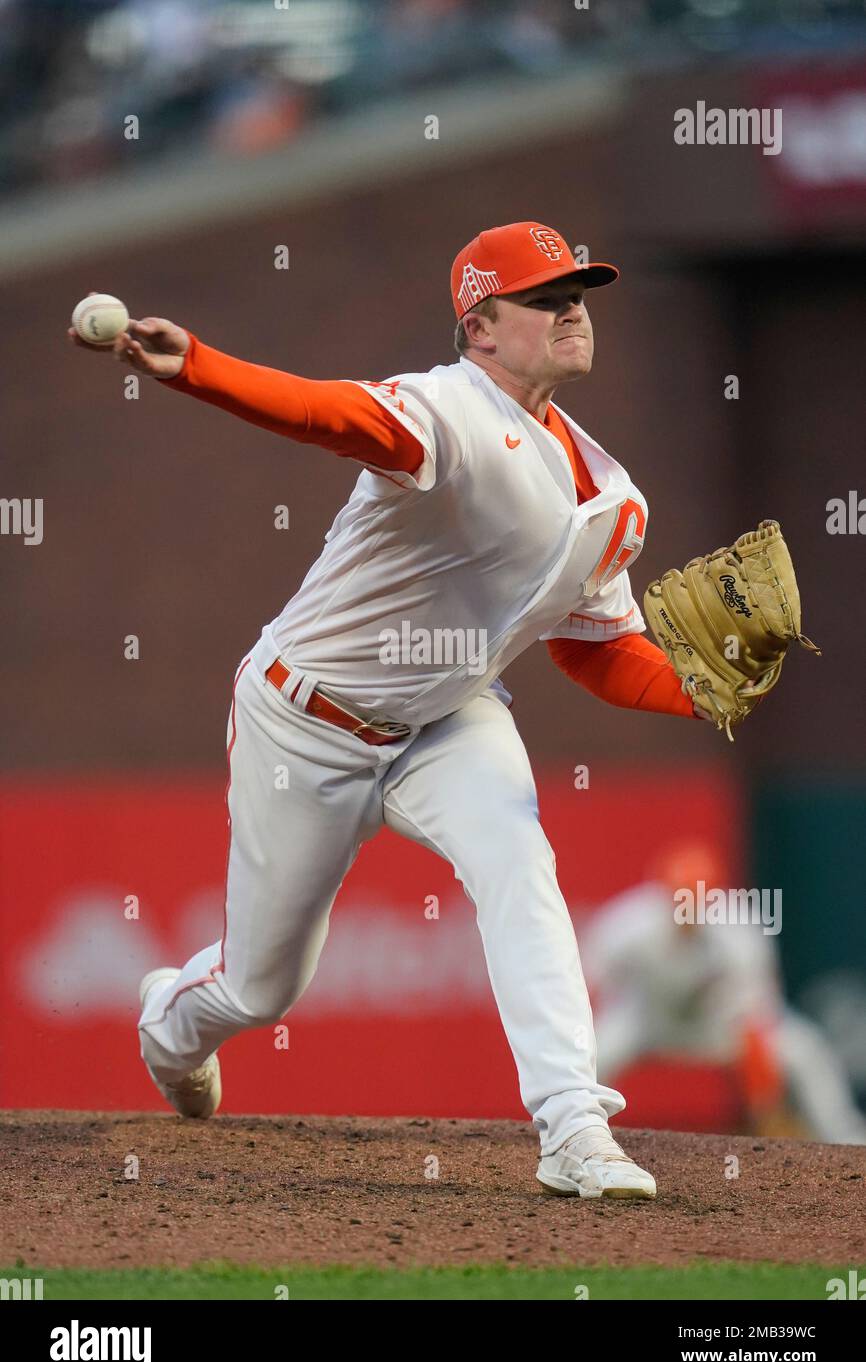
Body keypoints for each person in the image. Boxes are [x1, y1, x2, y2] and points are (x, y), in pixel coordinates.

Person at [69, 221, 713, 1200]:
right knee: (261, 985)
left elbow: (596, 653)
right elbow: (329, 416)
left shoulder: (611, 495)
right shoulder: (443, 411)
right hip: (306, 724)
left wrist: (700, 689)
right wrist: (197, 366)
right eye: (543, 296)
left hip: (451, 719)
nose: (571, 307)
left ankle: (572, 1125)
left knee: (517, 857)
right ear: (481, 325)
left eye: (576, 289)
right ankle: (168, 1024)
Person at [584, 841, 866, 1145]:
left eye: (696, 895)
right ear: (663, 891)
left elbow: (761, 1012)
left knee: (806, 1051)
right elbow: (591, 977)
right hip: (649, 1020)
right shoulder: (630, 923)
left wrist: (765, 1099)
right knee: (593, 1050)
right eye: (680, 894)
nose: (687, 905)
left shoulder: (738, 929)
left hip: (718, 1025)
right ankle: (579, 1131)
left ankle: (849, 1142)